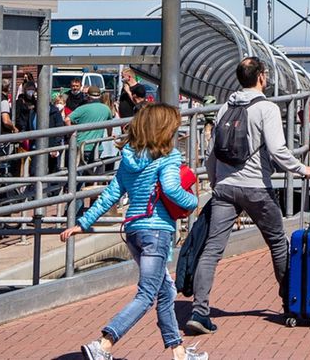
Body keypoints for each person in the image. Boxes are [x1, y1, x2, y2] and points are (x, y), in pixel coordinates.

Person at [61, 104, 205, 360]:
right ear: (164, 129)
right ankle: (103, 343)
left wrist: (82, 223)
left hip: (134, 231)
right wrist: (193, 202)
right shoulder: (168, 157)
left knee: (165, 292)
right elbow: (172, 190)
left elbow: (110, 196)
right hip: (156, 231)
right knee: (148, 293)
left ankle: (180, 352)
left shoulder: (128, 158)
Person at [186, 58, 310, 336]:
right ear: (261, 77)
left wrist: (216, 181)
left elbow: (211, 154)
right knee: (278, 244)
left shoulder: (224, 108)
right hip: (257, 189)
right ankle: (289, 304)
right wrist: (303, 169)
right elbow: (278, 151)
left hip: (225, 188)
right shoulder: (266, 108)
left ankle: (199, 310)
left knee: (211, 250)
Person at [70, 89, 117, 167]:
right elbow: (109, 125)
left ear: (88, 97)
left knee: (78, 173)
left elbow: (67, 119)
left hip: (81, 145)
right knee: (93, 173)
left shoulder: (82, 108)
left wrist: (72, 134)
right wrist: (109, 135)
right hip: (97, 146)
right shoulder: (106, 108)